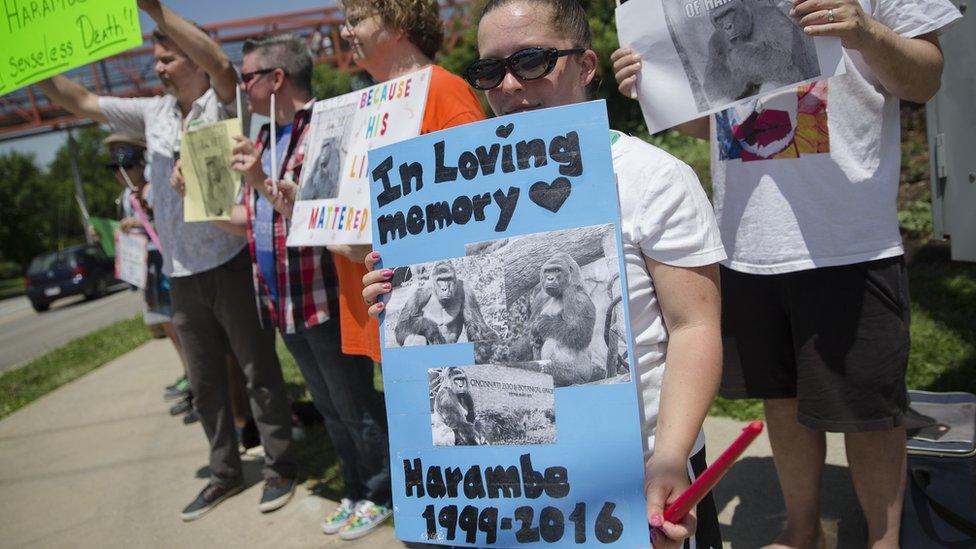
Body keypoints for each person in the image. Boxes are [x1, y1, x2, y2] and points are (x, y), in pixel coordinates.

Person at [363, 0, 726, 546]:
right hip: (505, 489)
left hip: (635, 472)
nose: (509, 84)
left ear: (585, 66)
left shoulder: (654, 179)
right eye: (489, 70)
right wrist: (393, 296)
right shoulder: (446, 196)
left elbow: (695, 327)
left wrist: (672, 456)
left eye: (532, 61)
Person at [611, 0, 961, 545]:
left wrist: (866, 31)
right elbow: (724, 126)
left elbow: (926, 78)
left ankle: (883, 540)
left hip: (849, 242)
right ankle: (803, 533)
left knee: (870, 412)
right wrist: (656, 86)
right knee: (782, 397)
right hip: (748, 240)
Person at [38, 0, 298, 522]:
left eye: (168, 56)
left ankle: (280, 466)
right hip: (180, 273)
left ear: (195, 59)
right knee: (204, 385)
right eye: (155, 58)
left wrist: (155, 11)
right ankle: (224, 472)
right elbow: (83, 100)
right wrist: (31, 70)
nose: (157, 66)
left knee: (258, 372)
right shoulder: (151, 112)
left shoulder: (224, 103)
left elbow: (224, 68)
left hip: (229, 260)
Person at [218, 32, 393, 541]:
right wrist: (207, 205)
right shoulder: (267, 138)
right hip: (285, 302)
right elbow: (255, 219)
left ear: (277, 79)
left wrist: (258, 185)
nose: (240, 85)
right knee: (333, 412)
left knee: (356, 406)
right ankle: (358, 489)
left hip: (324, 294)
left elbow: (323, 218)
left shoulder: (325, 127)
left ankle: (382, 491)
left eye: (247, 76)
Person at [104, 133, 196, 421]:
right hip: (146, 266)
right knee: (168, 326)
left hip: (163, 261)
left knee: (181, 326)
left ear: (136, 167)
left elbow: (171, 221)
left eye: (124, 168)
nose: (120, 176)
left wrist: (144, 218)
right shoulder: (127, 197)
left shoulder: (152, 190)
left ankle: (196, 385)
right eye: (117, 170)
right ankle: (189, 376)